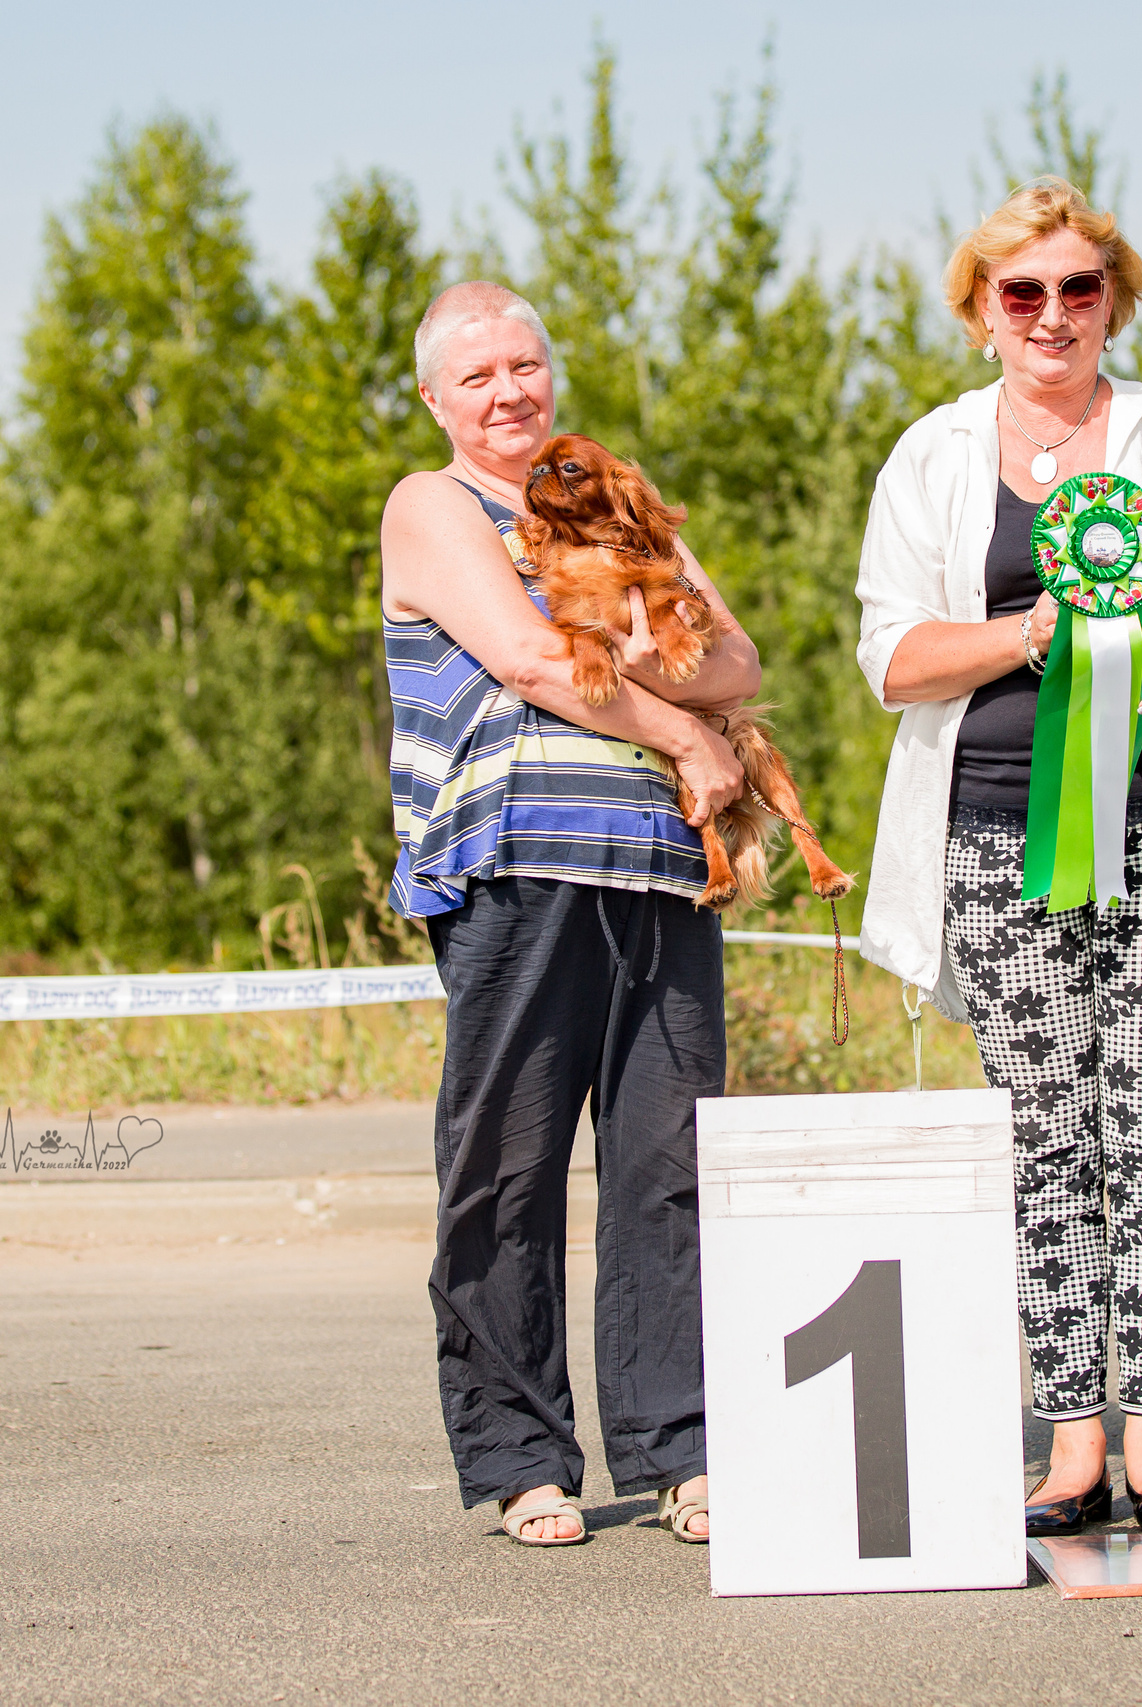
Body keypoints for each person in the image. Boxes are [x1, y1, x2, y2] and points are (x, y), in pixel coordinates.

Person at [853, 180, 1142, 1535]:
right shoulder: (931, 455)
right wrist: (1039, 627)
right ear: (980, 309)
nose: (1051, 314)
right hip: (996, 841)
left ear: (1116, 303)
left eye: (1078, 290)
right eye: (1022, 292)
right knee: (1048, 1140)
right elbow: (894, 657)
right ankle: (1070, 1441)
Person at [379, 281, 755, 1547]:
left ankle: (679, 1450)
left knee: (668, 1168)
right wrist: (687, 734)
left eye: (524, 367)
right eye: (477, 375)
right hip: (516, 873)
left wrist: (646, 631)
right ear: (436, 398)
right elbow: (536, 660)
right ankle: (518, 1457)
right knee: (508, 1169)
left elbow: (740, 659)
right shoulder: (434, 506)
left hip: (657, 872)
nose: (507, 392)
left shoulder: (612, 497)